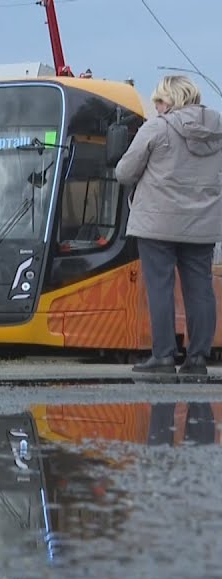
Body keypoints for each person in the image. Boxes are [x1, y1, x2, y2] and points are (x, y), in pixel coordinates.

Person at [115, 75, 222, 376]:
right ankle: (198, 359)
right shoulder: (217, 131)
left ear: (171, 100)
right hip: (203, 223)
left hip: (157, 223)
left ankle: (162, 356)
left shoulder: (157, 127)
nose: (157, 107)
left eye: (160, 101)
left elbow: (125, 172)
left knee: (160, 288)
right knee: (200, 288)